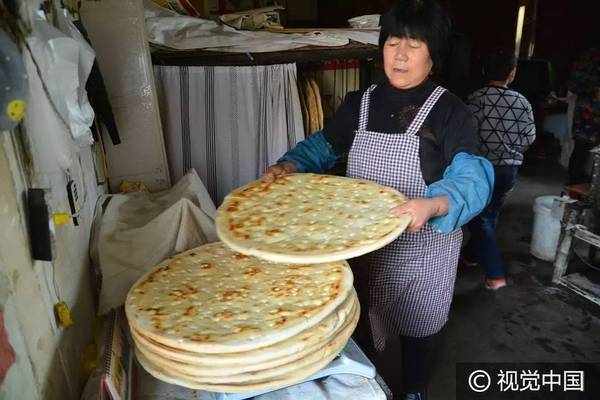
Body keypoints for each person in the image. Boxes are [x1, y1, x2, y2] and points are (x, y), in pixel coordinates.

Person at [262, 1, 493, 398]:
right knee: (366, 317)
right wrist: (290, 165)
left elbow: (472, 175)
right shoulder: (361, 103)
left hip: (424, 249)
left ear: (434, 56)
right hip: (365, 245)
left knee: (419, 323)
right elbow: (324, 145)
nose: (400, 54)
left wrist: (435, 204)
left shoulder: (448, 111)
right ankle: (371, 383)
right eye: (393, 42)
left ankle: (415, 388)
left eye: (415, 45)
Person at [464, 49, 536, 290]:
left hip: (483, 167)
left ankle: (495, 273)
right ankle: (474, 254)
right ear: (512, 74)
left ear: (484, 71)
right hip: (509, 170)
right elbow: (529, 137)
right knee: (492, 212)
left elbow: (467, 135)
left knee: (479, 217)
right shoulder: (522, 102)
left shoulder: (477, 99)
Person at [567, 46, 600, 184]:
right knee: (582, 149)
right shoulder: (591, 55)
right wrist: (595, 89)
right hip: (589, 113)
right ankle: (575, 186)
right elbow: (574, 84)